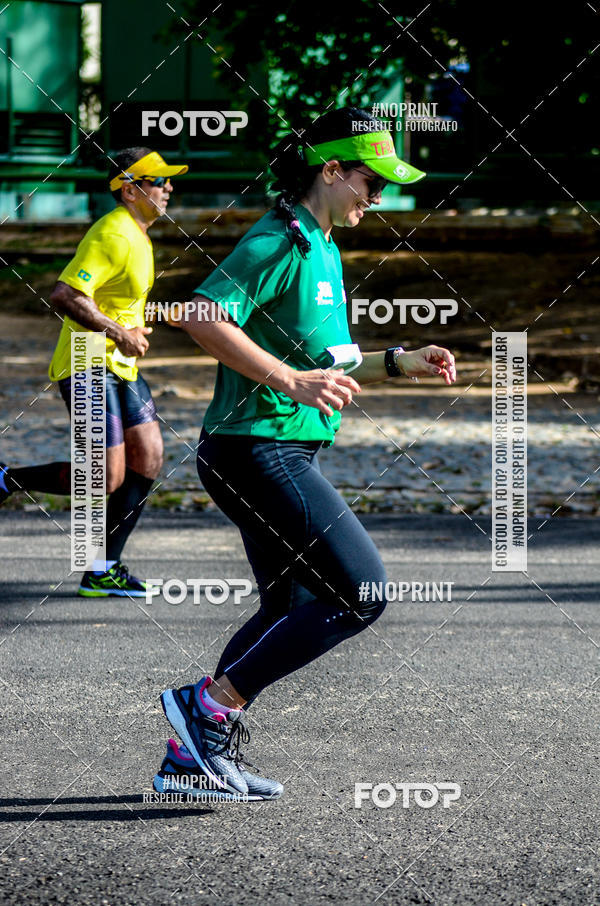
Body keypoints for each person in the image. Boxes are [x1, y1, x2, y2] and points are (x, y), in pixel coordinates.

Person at [156, 107, 456, 799]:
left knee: (286, 605)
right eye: (369, 181)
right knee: (363, 591)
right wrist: (288, 380)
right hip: (256, 450)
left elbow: (324, 355)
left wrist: (397, 362)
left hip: (283, 450)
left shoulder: (323, 245)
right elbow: (201, 314)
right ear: (329, 170)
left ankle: (187, 760)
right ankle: (209, 705)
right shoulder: (279, 240)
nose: (377, 197)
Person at [0, 148, 188, 597]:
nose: (168, 188)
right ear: (129, 188)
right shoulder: (113, 233)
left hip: (118, 363)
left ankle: (104, 567)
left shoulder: (138, 234)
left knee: (150, 458)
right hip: (87, 357)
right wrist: (118, 331)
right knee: (103, 476)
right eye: (158, 180)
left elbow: (117, 301)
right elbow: (65, 295)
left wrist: (156, 318)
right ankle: (7, 479)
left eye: (167, 181)